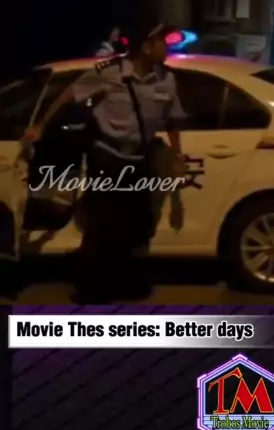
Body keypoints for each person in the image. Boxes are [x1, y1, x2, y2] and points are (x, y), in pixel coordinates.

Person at [25, 17, 186, 302]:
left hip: (138, 160)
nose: (167, 47)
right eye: (162, 41)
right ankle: (90, 288)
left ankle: (120, 283)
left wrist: (176, 155)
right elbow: (71, 93)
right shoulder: (110, 71)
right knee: (103, 223)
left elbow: (173, 120)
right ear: (146, 46)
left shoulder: (168, 79)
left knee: (133, 225)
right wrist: (40, 125)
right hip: (107, 157)